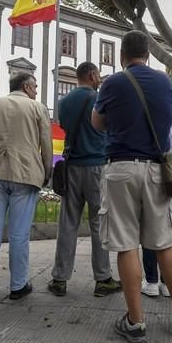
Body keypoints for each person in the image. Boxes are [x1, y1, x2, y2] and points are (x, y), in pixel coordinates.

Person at [92, 30, 172, 343]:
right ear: (148, 54)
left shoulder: (112, 83)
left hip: (121, 168)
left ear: (123, 55)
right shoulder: (165, 83)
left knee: (126, 244)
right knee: (164, 243)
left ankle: (136, 322)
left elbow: (97, 123)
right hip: (156, 170)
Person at [0, 73, 52, 302]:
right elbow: (45, 142)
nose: (36, 90)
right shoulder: (38, 108)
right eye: (35, 86)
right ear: (26, 87)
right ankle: (18, 285)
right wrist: (46, 170)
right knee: (19, 234)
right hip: (26, 173)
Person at [47, 62, 121, 298]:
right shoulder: (99, 98)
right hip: (96, 165)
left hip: (72, 166)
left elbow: (66, 127)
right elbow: (107, 127)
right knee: (98, 223)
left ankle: (59, 278)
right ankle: (103, 279)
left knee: (67, 222)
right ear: (91, 75)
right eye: (98, 74)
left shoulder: (64, 102)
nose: (99, 78)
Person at [141, 104, 172, 298]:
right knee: (169, 225)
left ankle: (151, 281)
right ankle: (168, 282)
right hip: (171, 171)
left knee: (148, 226)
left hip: (149, 168)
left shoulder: (145, 104)